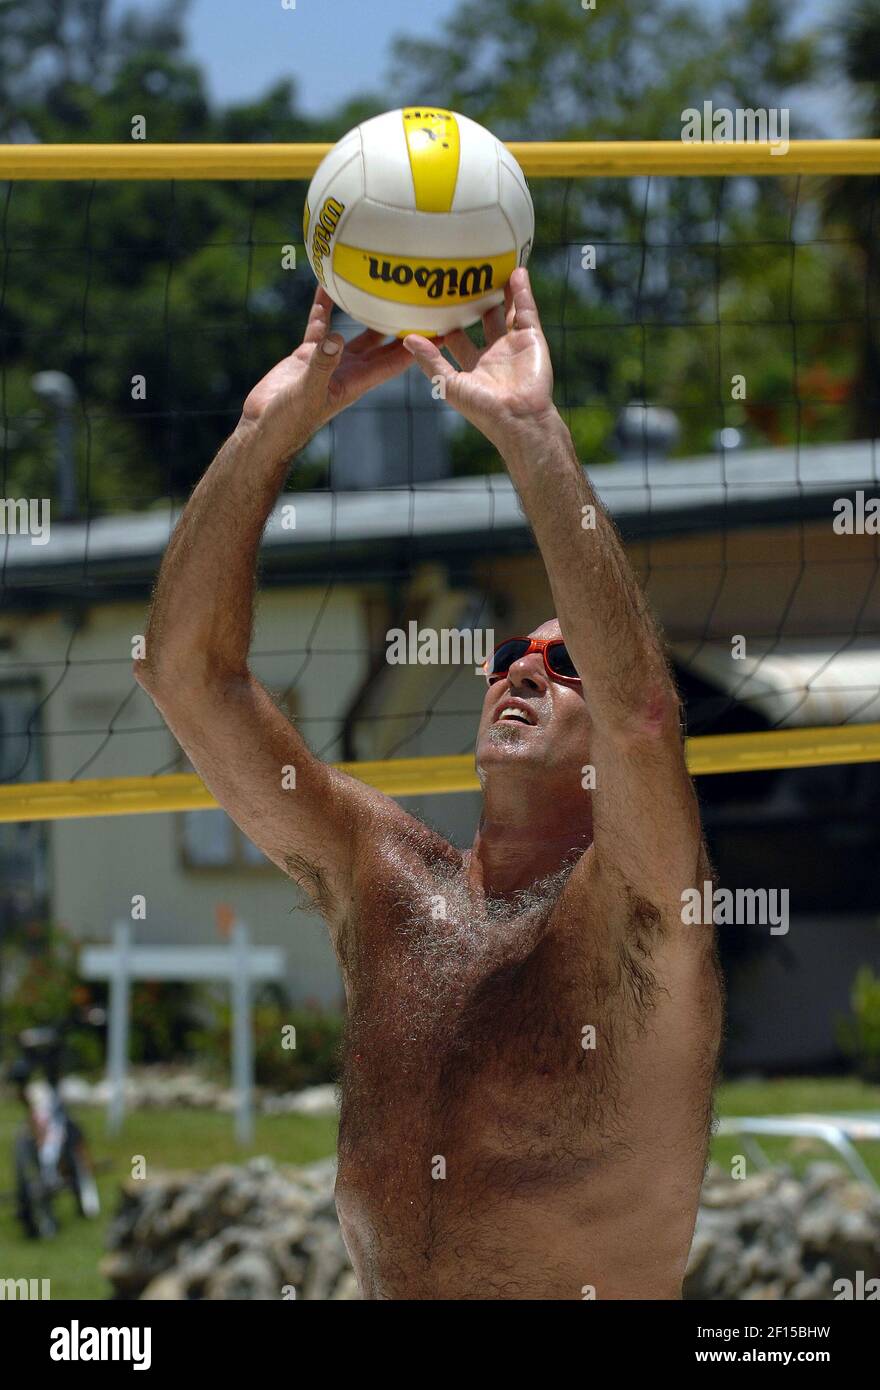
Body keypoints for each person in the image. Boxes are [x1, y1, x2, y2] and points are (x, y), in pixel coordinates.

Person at [135, 268, 723, 1300]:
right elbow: (183, 673)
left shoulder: (643, 918)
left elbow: (640, 721)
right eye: (507, 653)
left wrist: (533, 436)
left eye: (563, 660)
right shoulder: (386, 885)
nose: (522, 668)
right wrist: (265, 431)